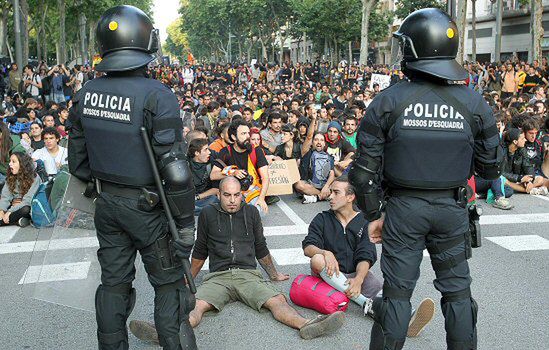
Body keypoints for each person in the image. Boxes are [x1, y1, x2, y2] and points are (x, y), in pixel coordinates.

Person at [349, 9, 502, 349]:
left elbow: (361, 175)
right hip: (452, 208)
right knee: (459, 295)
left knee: (397, 296)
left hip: (403, 210)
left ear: (414, 48)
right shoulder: (474, 102)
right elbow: (492, 169)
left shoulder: (389, 100)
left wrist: (375, 215)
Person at [67, 6, 197, 350]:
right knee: (170, 285)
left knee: (113, 285)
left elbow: (77, 165)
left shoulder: (85, 94)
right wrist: (185, 225)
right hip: (149, 208)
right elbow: (177, 172)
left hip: (107, 205)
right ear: (146, 42)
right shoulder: (158, 95)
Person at [129, 177, 346, 345]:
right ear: (219, 194)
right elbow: (200, 251)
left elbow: (261, 247)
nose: (232, 200)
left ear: (242, 195)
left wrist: (273, 274)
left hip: (248, 275)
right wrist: (189, 279)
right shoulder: (207, 214)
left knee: (277, 301)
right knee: (195, 306)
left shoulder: (251, 213)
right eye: (227, 195)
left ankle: (306, 325)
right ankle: (166, 335)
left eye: (236, 195)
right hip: (218, 277)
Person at [302, 176, 435, 338]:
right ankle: (365, 303)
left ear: (350, 197)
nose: (330, 196)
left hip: (354, 273)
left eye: (336, 192)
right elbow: (308, 246)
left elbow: (366, 254)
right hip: (329, 273)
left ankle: (409, 319)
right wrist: (325, 252)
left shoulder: (364, 221)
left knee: (388, 298)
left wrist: (358, 279)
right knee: (317, 258)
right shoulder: (322, 219)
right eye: (330, 192)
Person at [210, 119, 270, 214]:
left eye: (248, 133)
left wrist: (261, 199)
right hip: (232, 192)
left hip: (252, 191)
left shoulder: (256, 151)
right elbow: (213, 175)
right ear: (234, 137)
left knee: (259, 212)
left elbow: (266, 178)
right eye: (243, 134)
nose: (247, 137)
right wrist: (232, 173)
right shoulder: (225, 152)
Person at [0, 152, 40, 227]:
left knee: (26, 209)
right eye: (10, 161)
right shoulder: (10, 177)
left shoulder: (34, 177)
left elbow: (27, 200)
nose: (10, 164)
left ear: (22, 164)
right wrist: (1, 210)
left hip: (27, 206)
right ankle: (17, 221)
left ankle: (3, 222)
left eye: (13, 162)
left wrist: (10, 211)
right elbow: (5, 197)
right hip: (14, 205)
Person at [187, 138, 219, 215]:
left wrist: (198, 197)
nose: (209, 152)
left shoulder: (212, 162)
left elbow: (216, 189)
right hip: (190, 200)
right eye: (205, 150)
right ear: (197, 153)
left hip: (207, 198)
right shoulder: (186, 164)